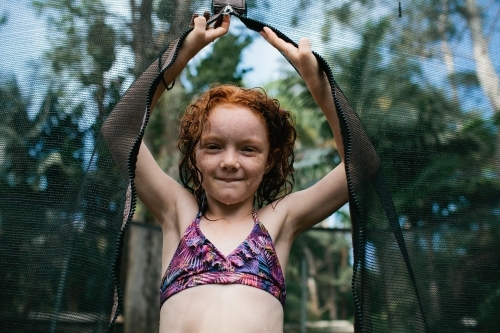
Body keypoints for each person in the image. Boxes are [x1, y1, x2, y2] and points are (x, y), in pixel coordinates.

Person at [136, 13, 348, 333]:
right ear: (194, 155)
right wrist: (178, 58)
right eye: (213, 146)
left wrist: (320, 89)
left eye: (248, 149)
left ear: (269, 160)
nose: (230, 161)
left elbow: (361, 167)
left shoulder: (279, 221)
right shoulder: (176, 211)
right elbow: (118, 134)